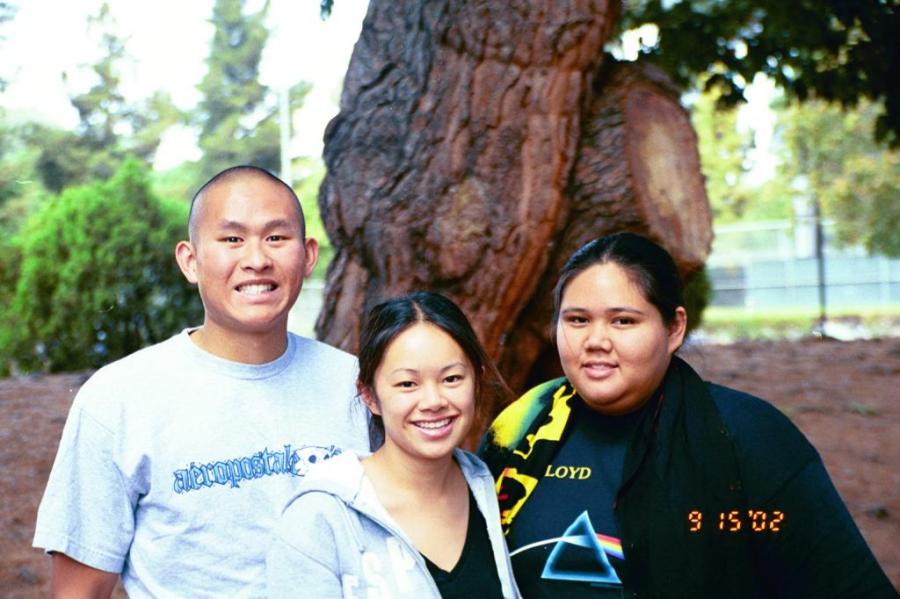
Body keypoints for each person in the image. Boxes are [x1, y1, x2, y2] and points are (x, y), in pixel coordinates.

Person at [479, 232, 895, 598]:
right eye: (577, 320)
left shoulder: (747, 437)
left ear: (674, 328)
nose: (595, 340)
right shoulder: (522, 428)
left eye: (623, 321)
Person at [33, 166, 370, 598]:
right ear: (190, 261)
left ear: (307, 256)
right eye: (232, 239)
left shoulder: (356, 386)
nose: (256, 259)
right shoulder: (119, 397)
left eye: (275, 237)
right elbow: (79, 592)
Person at [267, 291, 521, 598]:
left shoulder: (488, 485)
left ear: (476, 381)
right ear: (369, 396)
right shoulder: (320, 516)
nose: (433, 401)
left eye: (452, 379)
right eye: (407, 384)